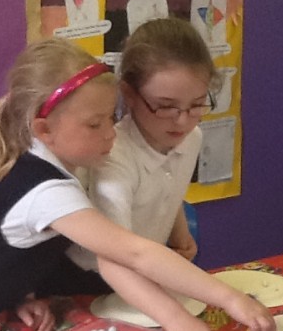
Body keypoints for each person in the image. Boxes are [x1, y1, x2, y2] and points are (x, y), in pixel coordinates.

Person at [0, 38, 274, 331]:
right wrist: (223, 300)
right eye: (95, 124)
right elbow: (133, 253)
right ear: (44, 129)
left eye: (110, 118)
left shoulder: (57, 164)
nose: (111, 134)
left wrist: (18, 294)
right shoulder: (48, 191)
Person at [69, 17, 216, 269]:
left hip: (139, 267)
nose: (182, 121)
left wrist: (179, 233)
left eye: (196, 104)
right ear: (129, 94)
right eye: (166, 106)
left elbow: (169, 183)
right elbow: (120, 255)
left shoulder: (191, 138)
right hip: (95, 275)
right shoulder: (113, 157)